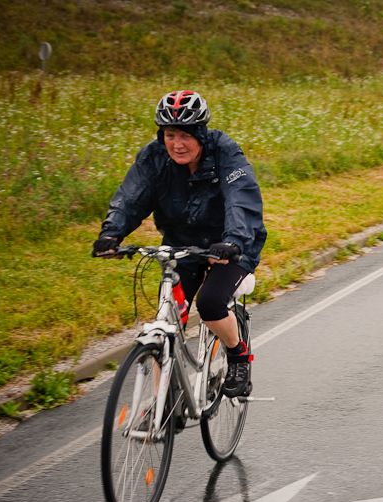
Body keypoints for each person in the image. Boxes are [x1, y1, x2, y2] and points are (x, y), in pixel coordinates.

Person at [92, 89, 266, 397]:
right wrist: (112, 233)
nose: (177, 144)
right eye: (170, 135)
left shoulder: (225, 152)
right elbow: (131, 196)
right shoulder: (154, 157)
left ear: (200, 134)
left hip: (231, 246)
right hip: (181, 246)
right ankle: (161, 402)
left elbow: (240, 199)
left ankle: (238, 355)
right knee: (168, 316)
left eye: (185, 135)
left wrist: (233, 240)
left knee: (210, 304)